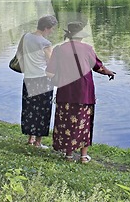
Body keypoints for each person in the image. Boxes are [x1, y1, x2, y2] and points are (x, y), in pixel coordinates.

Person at [46, 21, 115, 163]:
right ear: (81, 35)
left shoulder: (59, 49)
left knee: (66, 121)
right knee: (84, 121)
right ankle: (83, 156)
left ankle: (69, 155)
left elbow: (50, 72)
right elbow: (99, 67)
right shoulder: (87, 49)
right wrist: (109, 72)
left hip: (65, 91)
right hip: (84, 91)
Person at [20, 15, 58, 148]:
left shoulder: (26, 37)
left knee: (30, 108)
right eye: (51, 29)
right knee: (43, 110)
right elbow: (52, 63)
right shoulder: (45, 43)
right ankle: (38, 142)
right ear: (46, 28)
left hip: (28, 78)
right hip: (43, 79)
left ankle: (30, 138)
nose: (52, 31)